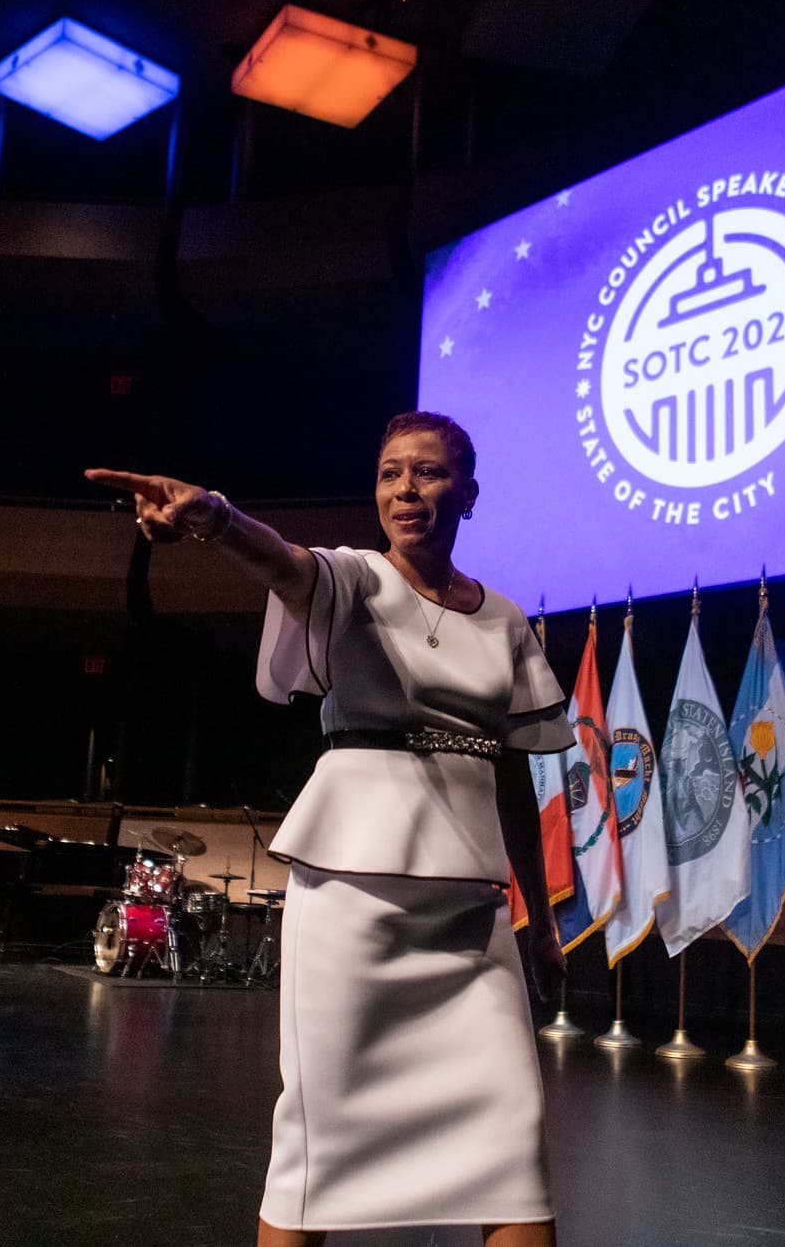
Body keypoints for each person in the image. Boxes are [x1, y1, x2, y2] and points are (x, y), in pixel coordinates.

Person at [88, 411, 573, 1247]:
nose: (406, 490)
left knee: (513, 1146)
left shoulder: (504, 620)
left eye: (427, 472)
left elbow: (513, 776)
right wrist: (212, 515)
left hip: (470, 915)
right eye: (389, 473)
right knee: (320, 1142)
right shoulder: (353, 580)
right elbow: (281, 561)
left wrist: (544, 921)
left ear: (468, 492)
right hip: (352, 895)